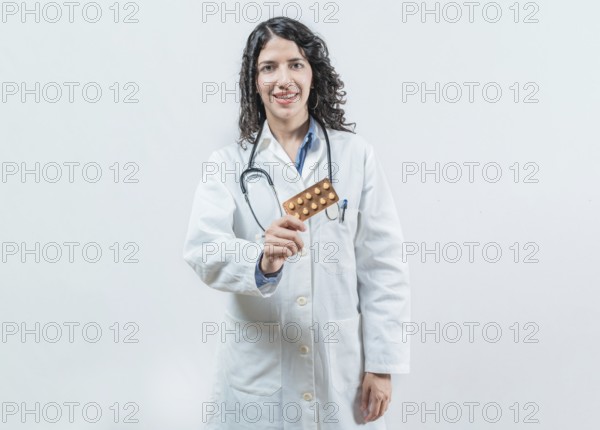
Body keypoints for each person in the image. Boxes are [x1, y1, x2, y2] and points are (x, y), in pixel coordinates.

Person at [183, 16, 410, 430]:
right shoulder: (227, 165)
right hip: (259, 370)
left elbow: (382, 266)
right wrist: (260, 259)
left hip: (336, 367)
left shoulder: (355, 157)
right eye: (268, 67)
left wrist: (382, 363)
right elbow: (202, 249)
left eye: (296, 64)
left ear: (313, 74)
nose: (283, 79)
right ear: (254, 81)